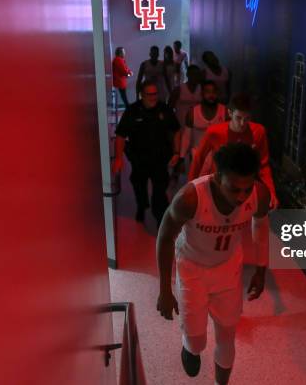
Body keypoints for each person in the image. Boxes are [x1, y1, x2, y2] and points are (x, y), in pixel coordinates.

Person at [156, 142, 270, 385]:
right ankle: (190, 347)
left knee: (227, 334)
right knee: (197, 340)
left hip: (228, 269)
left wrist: (261, 270)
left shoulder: (259, 194)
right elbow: (165, 238)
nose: (241, 197)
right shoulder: (189, 198)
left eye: (246, 189)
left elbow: (260, 228)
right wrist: (165, 290)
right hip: (192, 268)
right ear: (218, 178)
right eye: (234, 189)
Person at [188, 93, 278, 208]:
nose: (242, 123)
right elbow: (198, 159)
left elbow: (264, 165)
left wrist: (271, 192)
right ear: (230, 113)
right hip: (220, 187)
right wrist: (190, 188)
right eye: (238, 118)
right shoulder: (214, 132)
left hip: (246, 187)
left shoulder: (258, 131)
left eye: (246, 119)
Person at [113, 81, 181, 225]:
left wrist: (176, 152)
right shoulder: (132, 111)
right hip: (139, 158)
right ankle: (141, 206)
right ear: (141, 95)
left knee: (160, 190)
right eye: (149, 94)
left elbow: (176, 130)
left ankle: (160, 217)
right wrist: (118, 158)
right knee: (139, 185)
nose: (153, 97)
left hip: (160, 158)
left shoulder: (164, 109)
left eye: (155, 93)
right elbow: (120, 136)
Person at [180, 80, 228, 175]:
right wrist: (181, 159)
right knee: (198, 186)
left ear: (217, 93)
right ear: (202, 94)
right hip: (197, 156)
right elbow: (186, 138)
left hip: (219, 157)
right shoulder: (192, 113)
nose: (211, 95)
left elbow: (229, 136)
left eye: (214, 92)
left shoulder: (225, 112)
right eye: (208, 92)